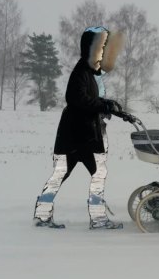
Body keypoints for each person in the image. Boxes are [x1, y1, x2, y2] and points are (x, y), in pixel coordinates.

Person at [33, 26, 125, 229]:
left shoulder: (88, 73)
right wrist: (102, 105)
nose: (103, 54)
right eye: (101, 49)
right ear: (90, 50)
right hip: (74, 137)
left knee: (93, 174)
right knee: (65, 174)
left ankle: (44, 215)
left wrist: (107, 103)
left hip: (82, 136)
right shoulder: (80, 73)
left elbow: (89, 99)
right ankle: (46, 216)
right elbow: (76, 99)